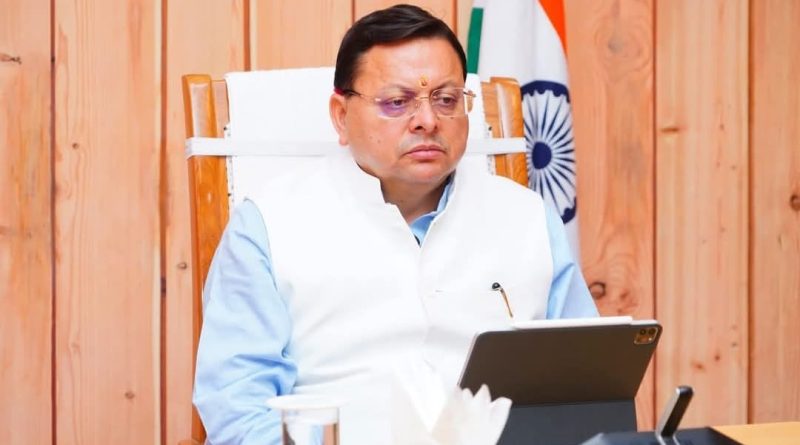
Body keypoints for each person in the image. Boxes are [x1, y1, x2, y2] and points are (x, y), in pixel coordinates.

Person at [193, 4, 597, 445]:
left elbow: (586, 383)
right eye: (397, 102)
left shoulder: (528, 217)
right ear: (341, 115)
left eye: (446, 99)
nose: (427, 120)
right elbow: (238, 412)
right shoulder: (269, 224)